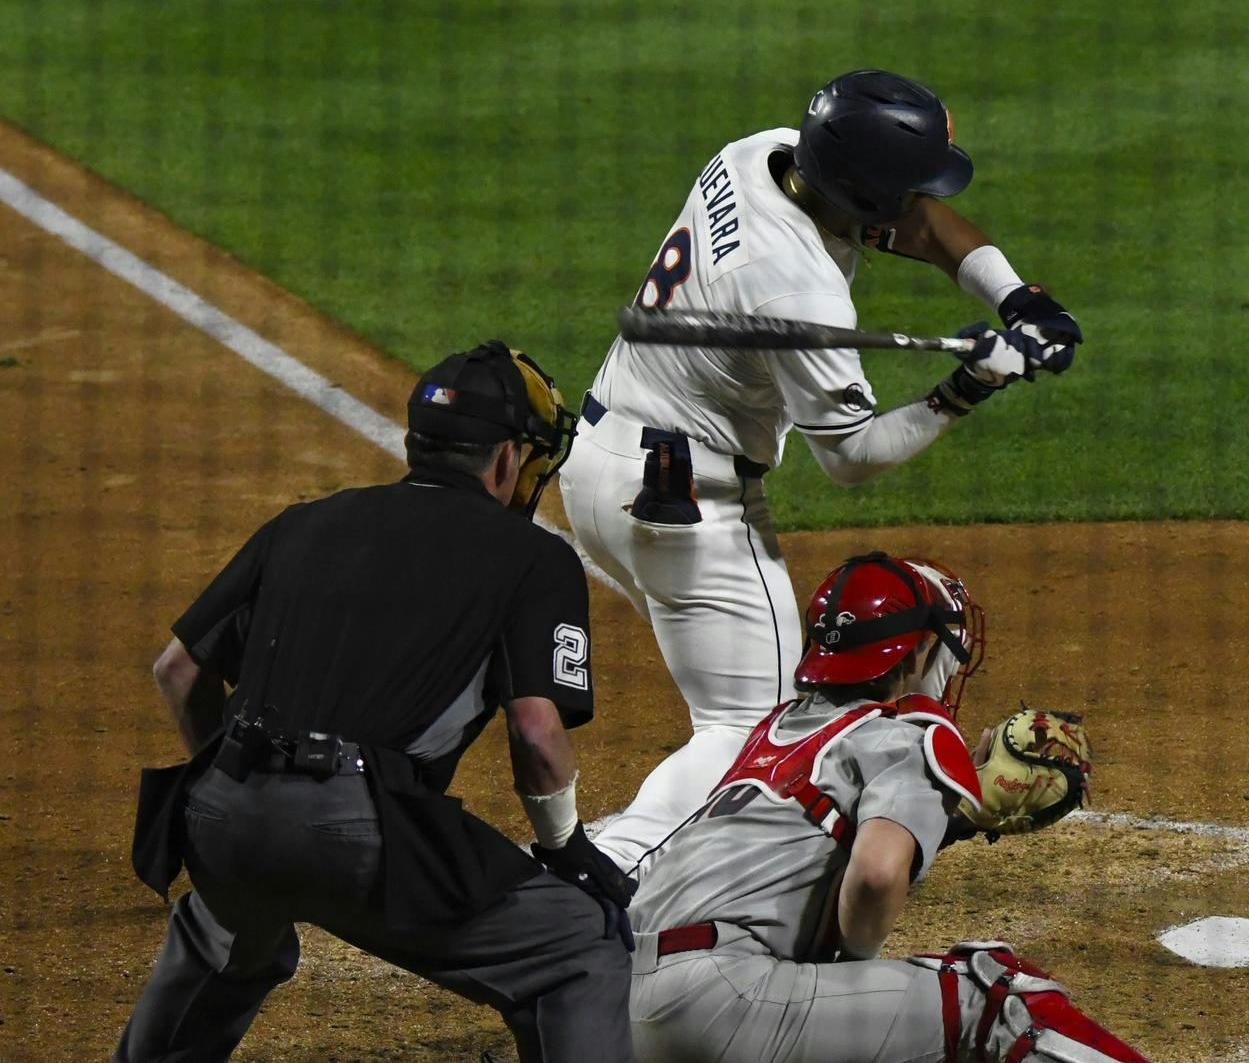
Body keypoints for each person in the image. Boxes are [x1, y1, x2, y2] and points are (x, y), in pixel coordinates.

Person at [562, 69, 1083, 877]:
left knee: (734, 704)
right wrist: (971, 384)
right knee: (752, 726)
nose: (915, 199)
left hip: (605, 463)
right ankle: (604, 875)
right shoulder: (793, 284)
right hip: (681, 499)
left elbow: (919, 222)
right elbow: (851, 457)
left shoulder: (763, 154)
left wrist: (1021, 301)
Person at [117, 342, 637, 1063]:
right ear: (506, 461)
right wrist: (566, 846)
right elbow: (536, 731)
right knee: (581, 944)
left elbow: (176, 671)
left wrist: (233, 786)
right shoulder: (533, 556)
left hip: (222, 810)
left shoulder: (302, 523)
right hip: (360, 832)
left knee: (231, 928)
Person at [625, 552, 1148, 1063]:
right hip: (718, 1005)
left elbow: (817, 846)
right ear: (915, 653)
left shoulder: (777, 732)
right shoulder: (906, 742)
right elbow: (875, 875)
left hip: (622, 1001)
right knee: (997, 999)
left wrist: (952, 817)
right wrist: (850, 971)